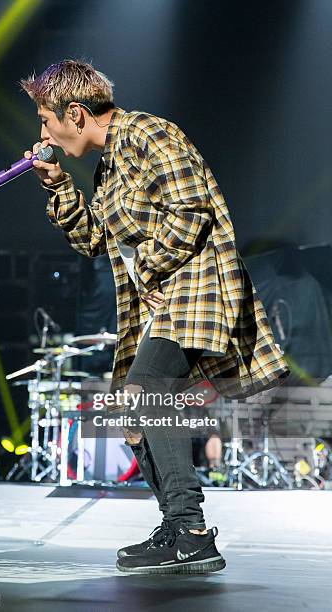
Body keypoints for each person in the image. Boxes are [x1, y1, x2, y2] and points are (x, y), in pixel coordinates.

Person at [21, 59, 290, 575]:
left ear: (74, 114)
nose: (43, 133)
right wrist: (56, 185)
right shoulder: (107, 166)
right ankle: (175, 528)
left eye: (44, 119)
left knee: (148, 390)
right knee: (135, 420)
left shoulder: (149, 133)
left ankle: (191, 531)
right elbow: (93, 239)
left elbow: (191, 210)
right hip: (154, 303)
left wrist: (148, 269)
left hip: (192, 289)